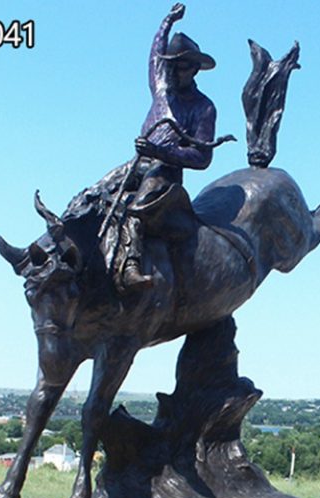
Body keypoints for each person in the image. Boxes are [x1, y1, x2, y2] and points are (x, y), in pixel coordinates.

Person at [115, 3, 217, 291]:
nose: (171, 71)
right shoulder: (162, 90)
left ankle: (131, 265)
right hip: (138, 164)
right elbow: (154, 56)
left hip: (165, 173)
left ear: (193, 69)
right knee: (98, 194)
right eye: (169, 65)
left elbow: (202, 157)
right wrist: (167, 22)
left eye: (179, 66)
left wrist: (161, 152)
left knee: (138, 206)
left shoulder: (203, 108)